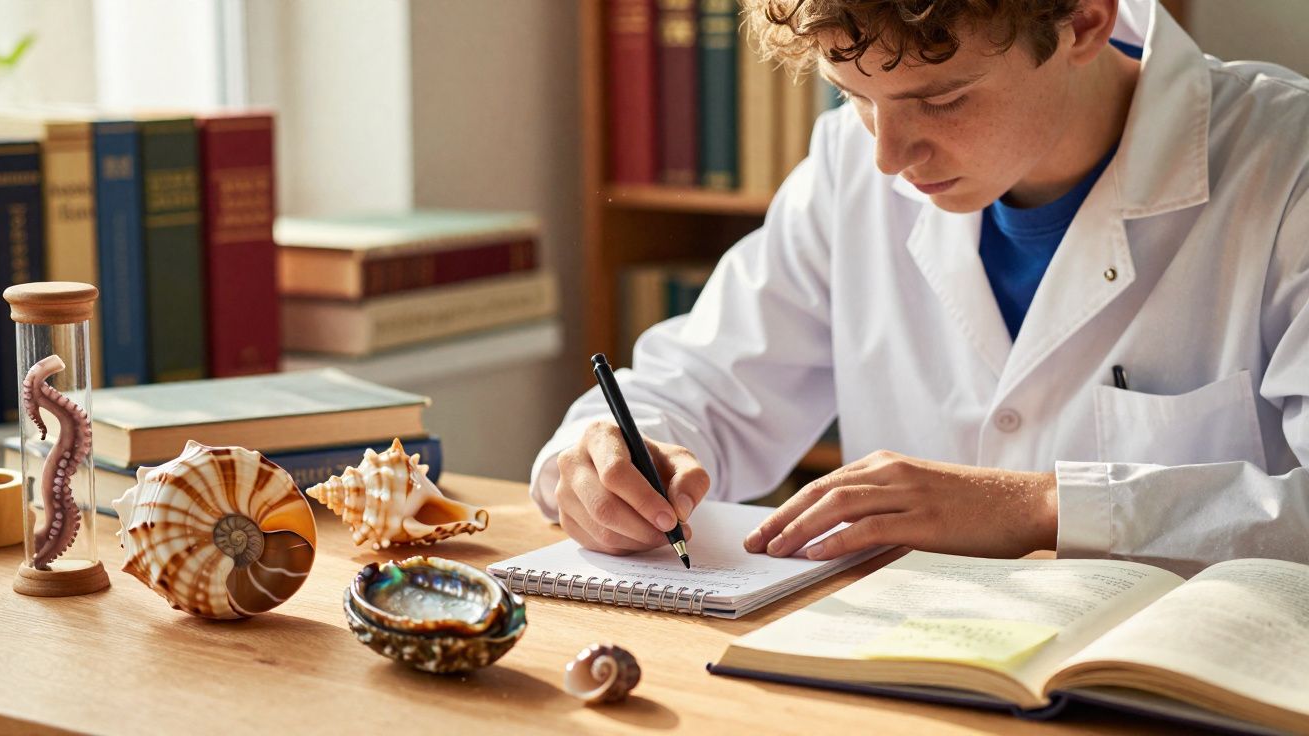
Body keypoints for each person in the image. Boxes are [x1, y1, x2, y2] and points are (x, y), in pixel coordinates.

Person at [531, 0, 1309, 576]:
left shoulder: (1286, 167)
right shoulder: (849, 164)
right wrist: (601, 459)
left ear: (1083, 20)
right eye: (855, 96)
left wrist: (1036, 507)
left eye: (942, 99)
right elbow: (697, 387)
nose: (888, 159)